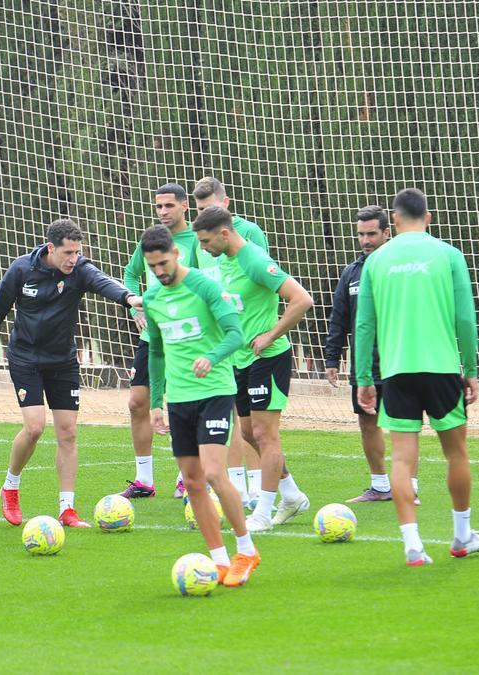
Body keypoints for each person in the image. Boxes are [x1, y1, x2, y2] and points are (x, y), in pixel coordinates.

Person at [0, 219, 140, 528]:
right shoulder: (22, 269)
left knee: (68, 433)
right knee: (34, 428)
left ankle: (67, 509)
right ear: (51, 249)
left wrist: (129, 299)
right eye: (68, 253)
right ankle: (10, 486)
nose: (74, 259)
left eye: (78, 252)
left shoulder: (80, 270)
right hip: (26, 359)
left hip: (62, 361)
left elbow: (103, 282)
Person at [355, 188, 479, 566]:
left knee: (401, 459)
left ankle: (412, 543)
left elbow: (364, 324)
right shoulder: (449, 255)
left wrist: (364, 376)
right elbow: (465, 318)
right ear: (428, 218)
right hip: (443, 368)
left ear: (394, 221)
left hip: (397, 372)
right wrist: (472, 370)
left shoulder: (377, 261)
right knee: (456, 453)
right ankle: (463, 535)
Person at [140, 225, 259, 586]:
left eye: (163, 263)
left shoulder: (204, 286)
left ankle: (246, 550)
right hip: (178, 400)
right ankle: (219, 560)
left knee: (212, 473)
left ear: (176, 253)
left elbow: (236, 334)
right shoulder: (152, 299)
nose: (160, 272)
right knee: (192, 482)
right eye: (152, 266)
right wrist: (156, 401)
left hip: (214, 392)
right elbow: (156, 352)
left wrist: (212, 356)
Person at [192, 205, 314, 532]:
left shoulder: (255, 260)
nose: (202, 249)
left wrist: (270, 334)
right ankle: (291, 494)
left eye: (205, 242)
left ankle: (262, 512)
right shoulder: (224, 263)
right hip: (240, 361)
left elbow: (301, 299)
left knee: (264, 434)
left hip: (268, 358)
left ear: (224, 233)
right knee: (248, 433)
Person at [324, 206, 418, 503]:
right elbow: (339, 317)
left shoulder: (402, 267)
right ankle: (380, 486)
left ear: (387, 233)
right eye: (361, 234)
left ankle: (409, 487)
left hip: (400, 359)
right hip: (364, 363)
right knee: (367, 422)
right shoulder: (351, 273)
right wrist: (331, 358)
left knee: (404, 423)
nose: (366, 240)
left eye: (372, 234)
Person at [191, 176, 270, 503]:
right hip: (220, 342)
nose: (204, 216)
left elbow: (262, 283)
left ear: (225, 205)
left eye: (209, 208)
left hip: (248, 340)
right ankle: (237, 485)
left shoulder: (249, 234)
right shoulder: (201, 241)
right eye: (198, 210)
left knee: (254, 425)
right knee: (230, 415)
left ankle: (257, 486)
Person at [120, 183, 202, 500]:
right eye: (158, 206)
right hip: (152, 336)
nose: (163, 211)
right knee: (137, 403)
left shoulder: (196, 240)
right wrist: (134, 305)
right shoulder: (149, 242)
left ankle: (186, 477)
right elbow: (129, 273)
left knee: (187, 405)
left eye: (169, 205)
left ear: (185, 206)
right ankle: (144, 480)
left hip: (185, 336)